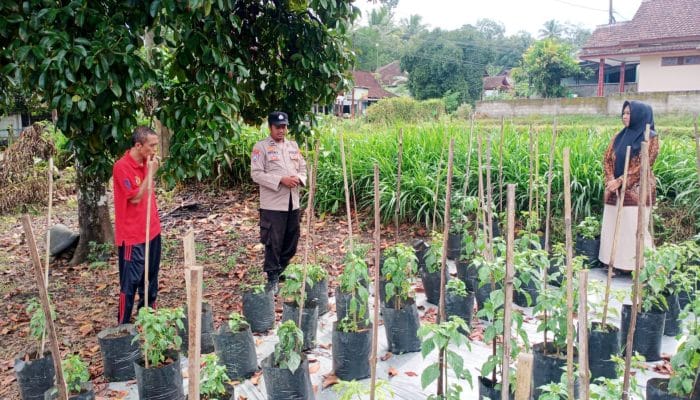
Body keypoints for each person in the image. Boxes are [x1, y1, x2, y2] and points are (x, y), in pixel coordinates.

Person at [598, 100, 659, 272]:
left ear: (640, 115)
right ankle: (614, 264)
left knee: (634, 228)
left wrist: (621, 181)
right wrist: (611, 179)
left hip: (637, 190)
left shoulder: (650, 137)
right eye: (623, 113)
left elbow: (644, 165)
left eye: (629, 113)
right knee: (612, 227)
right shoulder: (619, 136)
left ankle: (642, 267)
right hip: (614, 190)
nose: (625, 116)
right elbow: (607, 159)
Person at [251, 111, 307, 291]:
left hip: (293, 201)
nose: (281, 130)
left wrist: (299, 178)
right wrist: (281, 180)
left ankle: (283, 268)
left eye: (284, 127)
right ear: (270, 127)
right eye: (278, 127)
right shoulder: (261, 147)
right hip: (273, 204)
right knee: (273, 241)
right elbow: (256, 174)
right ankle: (272, 276)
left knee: (292, 238)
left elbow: (303, 167)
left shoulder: (293, 146)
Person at [112, 126, 162, 323]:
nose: (155, 150)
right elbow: (135, 198)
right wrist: (151, 173)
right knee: (130, 283)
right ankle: (122, 326)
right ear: (138, 145)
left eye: (157, 145)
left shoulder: (146, 162)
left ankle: (148, 319)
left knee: (151, 278)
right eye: (152, 146)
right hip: (132, 236)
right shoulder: (122, 167)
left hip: (152, 230)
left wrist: (149, 170)